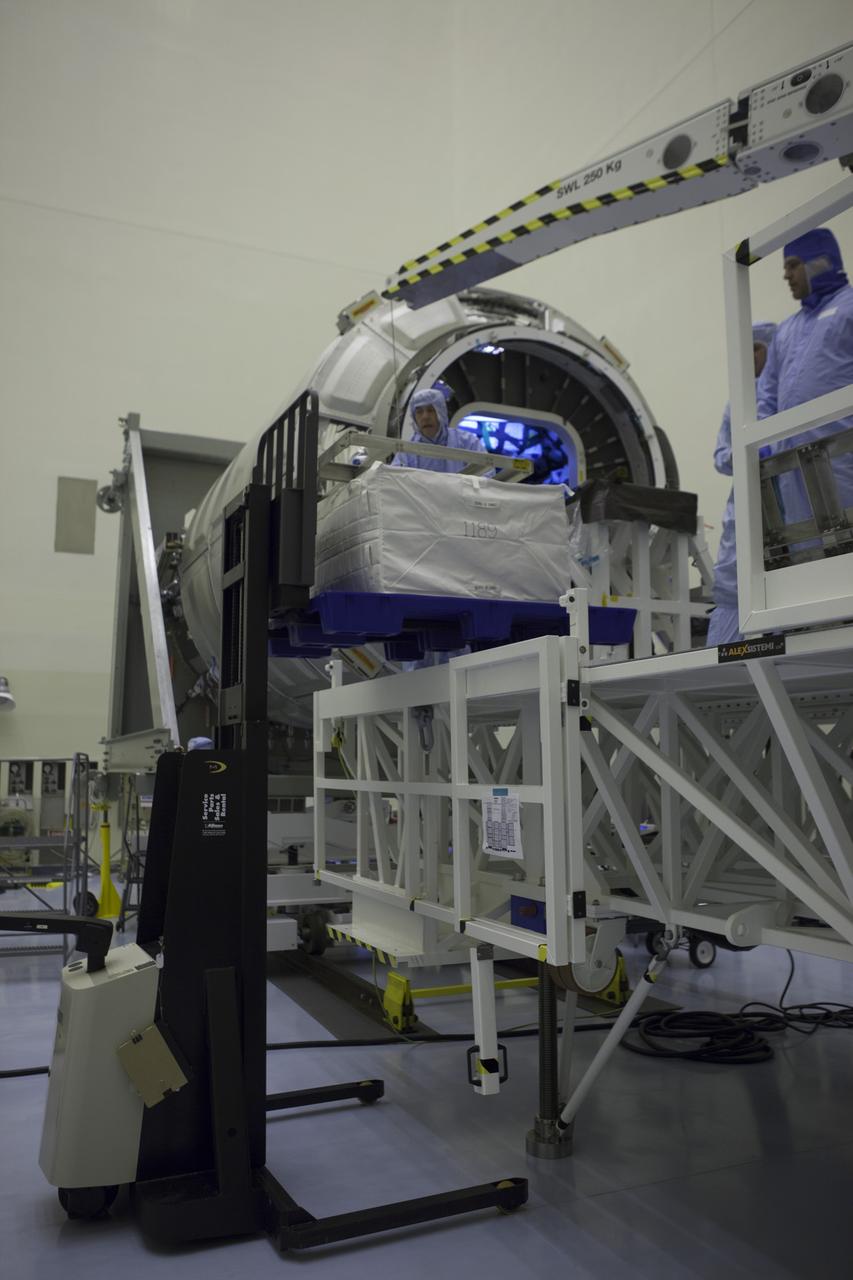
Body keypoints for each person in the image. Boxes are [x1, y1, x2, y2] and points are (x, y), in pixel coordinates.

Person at [759, 227, 853, 551]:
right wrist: (766, 445)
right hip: (791, 468)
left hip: (843, 459)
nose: (786, 275)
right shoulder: (786, 330)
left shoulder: (849, 309)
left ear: (819, 262)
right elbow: (766, 396)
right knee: (809, 564)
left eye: (793, 264)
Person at [707, 322, 777, 645]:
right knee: (733, 580)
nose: (750, 358)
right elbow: (721, 455)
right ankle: (722, 657)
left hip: (788, 496)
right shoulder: (737, 401)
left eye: (756, 349)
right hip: (745, 503)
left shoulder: (785, 389)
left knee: (783, 578)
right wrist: (744, 451)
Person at [392, 388, 488, 472]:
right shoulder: (407, 452)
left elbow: (486, 472)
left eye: (430, 410)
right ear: (414, 417)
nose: (425, 417)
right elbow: (395, 479)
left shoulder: (467, 442)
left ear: (441, 412)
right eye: (419, 412)